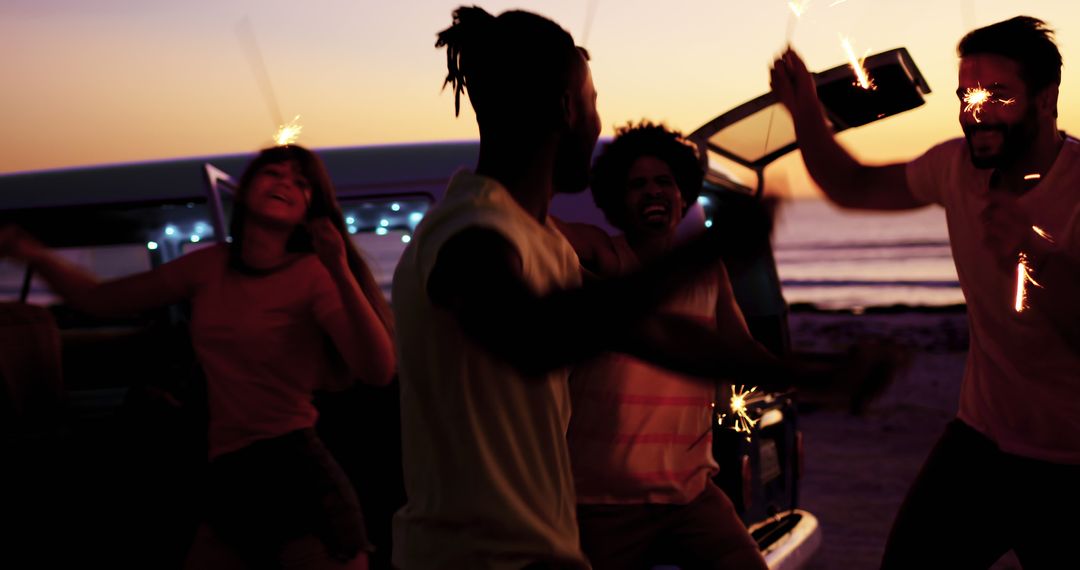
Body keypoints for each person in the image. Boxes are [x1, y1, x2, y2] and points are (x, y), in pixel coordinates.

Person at [393, 6, 786, 570]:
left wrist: (809, 373)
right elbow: (532, 334)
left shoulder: (535, 241)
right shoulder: (473, 235)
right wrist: (703, 252)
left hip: (542, 552)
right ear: (567, 108)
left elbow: (649, 334)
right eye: (595, 102)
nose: (599, 123)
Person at [770, 15, 1080, 568]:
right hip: (981, 444)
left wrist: (1035, 256)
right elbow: (854, 185)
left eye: (999, 94)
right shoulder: (956, 168)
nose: (974, 112)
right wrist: (805, 112)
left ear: (1046, 98)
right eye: (967, 94)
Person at [0, 144, 396, 569]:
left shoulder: (312, 275)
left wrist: (337, 266)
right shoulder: (207, 267)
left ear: (308, 212)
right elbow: (101, 299)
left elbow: (378, 369)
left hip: (295, 474)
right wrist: (38, 257)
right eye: (274, 173)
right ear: (242, 191)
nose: (285, 183)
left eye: (301, 183)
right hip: (228, 473)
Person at [559, 122, 769, 570]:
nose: (652, 192)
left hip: (692, 496)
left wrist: (820, 373)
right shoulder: (605, 257)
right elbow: (539, 227)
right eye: (636, 185)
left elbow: (745, 352)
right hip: (602, 504)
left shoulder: (707, 272)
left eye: (663, 182)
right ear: (616, 200)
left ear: (683, 193)